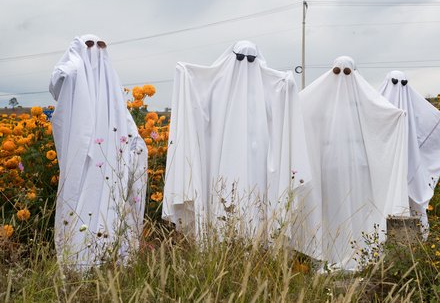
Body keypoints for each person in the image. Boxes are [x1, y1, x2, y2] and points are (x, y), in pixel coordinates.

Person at [163, 40, 319, 256]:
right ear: (231, 58)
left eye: (251, 59)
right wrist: (186, 75)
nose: (245, 65)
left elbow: (282, 116)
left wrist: (287, 85)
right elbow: (198, 102)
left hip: (260, 166)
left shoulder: (271, 88)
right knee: (221, 200)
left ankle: (257, 247)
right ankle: (221, 250)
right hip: (219, 162)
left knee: (257, 204)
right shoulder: (216, 86)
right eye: (240, 58)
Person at [49, 34, 147, 271]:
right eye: (89, 47)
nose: (95, 52)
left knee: (108, 205)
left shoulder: (111, 85)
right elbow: (57, 82)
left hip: (110, 160)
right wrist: (73, 63)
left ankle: (106, 257)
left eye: (100, 47)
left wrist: (136, 146)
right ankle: (79, 260)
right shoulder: (73, 74)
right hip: (81, 159)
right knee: (80, 202)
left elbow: (125, 121)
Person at [300, 56, 409, 270]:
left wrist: (397, 117)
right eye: (338, 72)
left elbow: (383, 118)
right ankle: (334, 251)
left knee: (357, 205)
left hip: (348, 164)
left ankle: (354, 251)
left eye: (346, 72)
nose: (342, 77)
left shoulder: (354, 101)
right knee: (335, 207)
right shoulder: (356, 100)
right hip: (336, 163)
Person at [378, 70, 440, 236]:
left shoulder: (380, 104)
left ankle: (401, 241)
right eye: (395, 83)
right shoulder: (385, 107)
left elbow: (434, 123)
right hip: (397, 166)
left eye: (403, 84)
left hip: (402, 164)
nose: (399, 89)